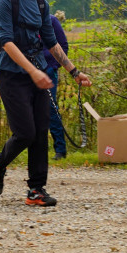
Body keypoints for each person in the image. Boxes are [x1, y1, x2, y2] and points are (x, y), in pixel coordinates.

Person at [0, 0, 91, 207]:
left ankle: (36, 189)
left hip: (39, 72)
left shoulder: (40, 1)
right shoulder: (6, 1)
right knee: (25, 132)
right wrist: (33, 71)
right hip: (11, 74)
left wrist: (74, 72)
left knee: (41, 130)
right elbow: (6, 42)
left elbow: (51, 41)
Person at [42, 8, 69, 160]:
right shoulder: (24, 22)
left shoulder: (51, 21)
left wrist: (53, 67)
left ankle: (60, 149)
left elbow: (63, 46)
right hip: (29, 71)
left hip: (48, 71)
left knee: (51, 109)